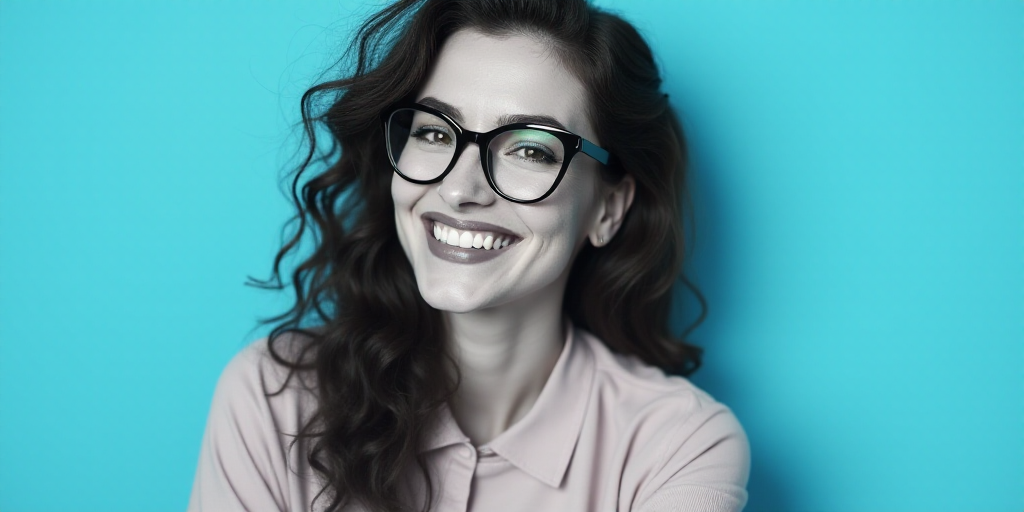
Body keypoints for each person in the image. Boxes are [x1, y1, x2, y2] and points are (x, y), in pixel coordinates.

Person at [188, 0, 750, 510]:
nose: (459, 189)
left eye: (528, 148)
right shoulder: (274, 398)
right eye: (435, 133)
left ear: (609, 208)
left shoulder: (680, 447)